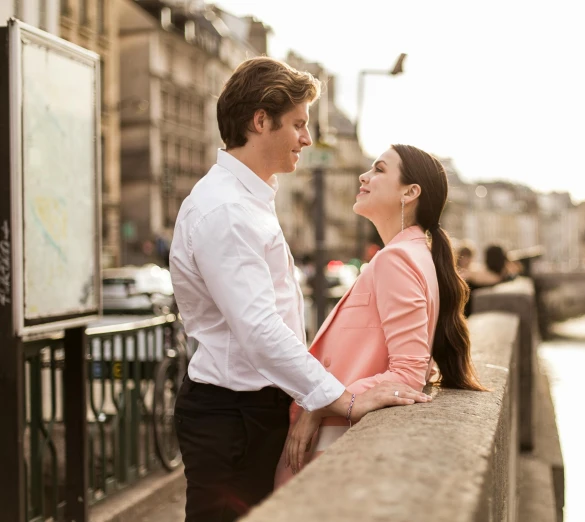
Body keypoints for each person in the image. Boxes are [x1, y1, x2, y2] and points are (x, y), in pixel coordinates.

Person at [168, 57, 430, 522]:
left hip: (248, 410)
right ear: (260, 121)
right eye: (298, 125)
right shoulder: (226, 210)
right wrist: (340, 398)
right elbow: (258, 329)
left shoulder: (246, 199)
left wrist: (310, 397)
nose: (307, 140)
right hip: (233, 417)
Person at [276, 144, 486, 485]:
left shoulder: (397, 259)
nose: (364, 175)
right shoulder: (413, 254)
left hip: (334, 449)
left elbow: (407, 373)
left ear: (410, 192)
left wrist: (323, 405)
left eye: (379, 169)